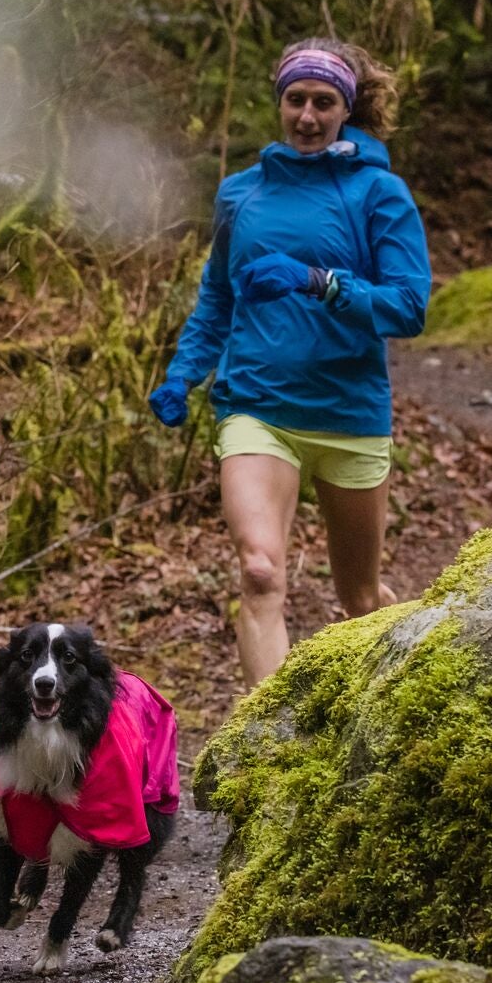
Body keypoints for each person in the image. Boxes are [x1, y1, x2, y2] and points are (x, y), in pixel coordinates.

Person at [150, 37, 431, 688]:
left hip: (349, 412)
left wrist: (319, 281)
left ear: (347, 109)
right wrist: (182, 371)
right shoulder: (239, 195)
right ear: (279, 103)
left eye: (323, 102)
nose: (307, 115)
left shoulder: (378, 194)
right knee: (259, 571)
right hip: (257, 406)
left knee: (360, 598)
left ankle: (410, 685)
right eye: (295, 99)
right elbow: (217, 296)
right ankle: (269, 754)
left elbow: (409, 307)